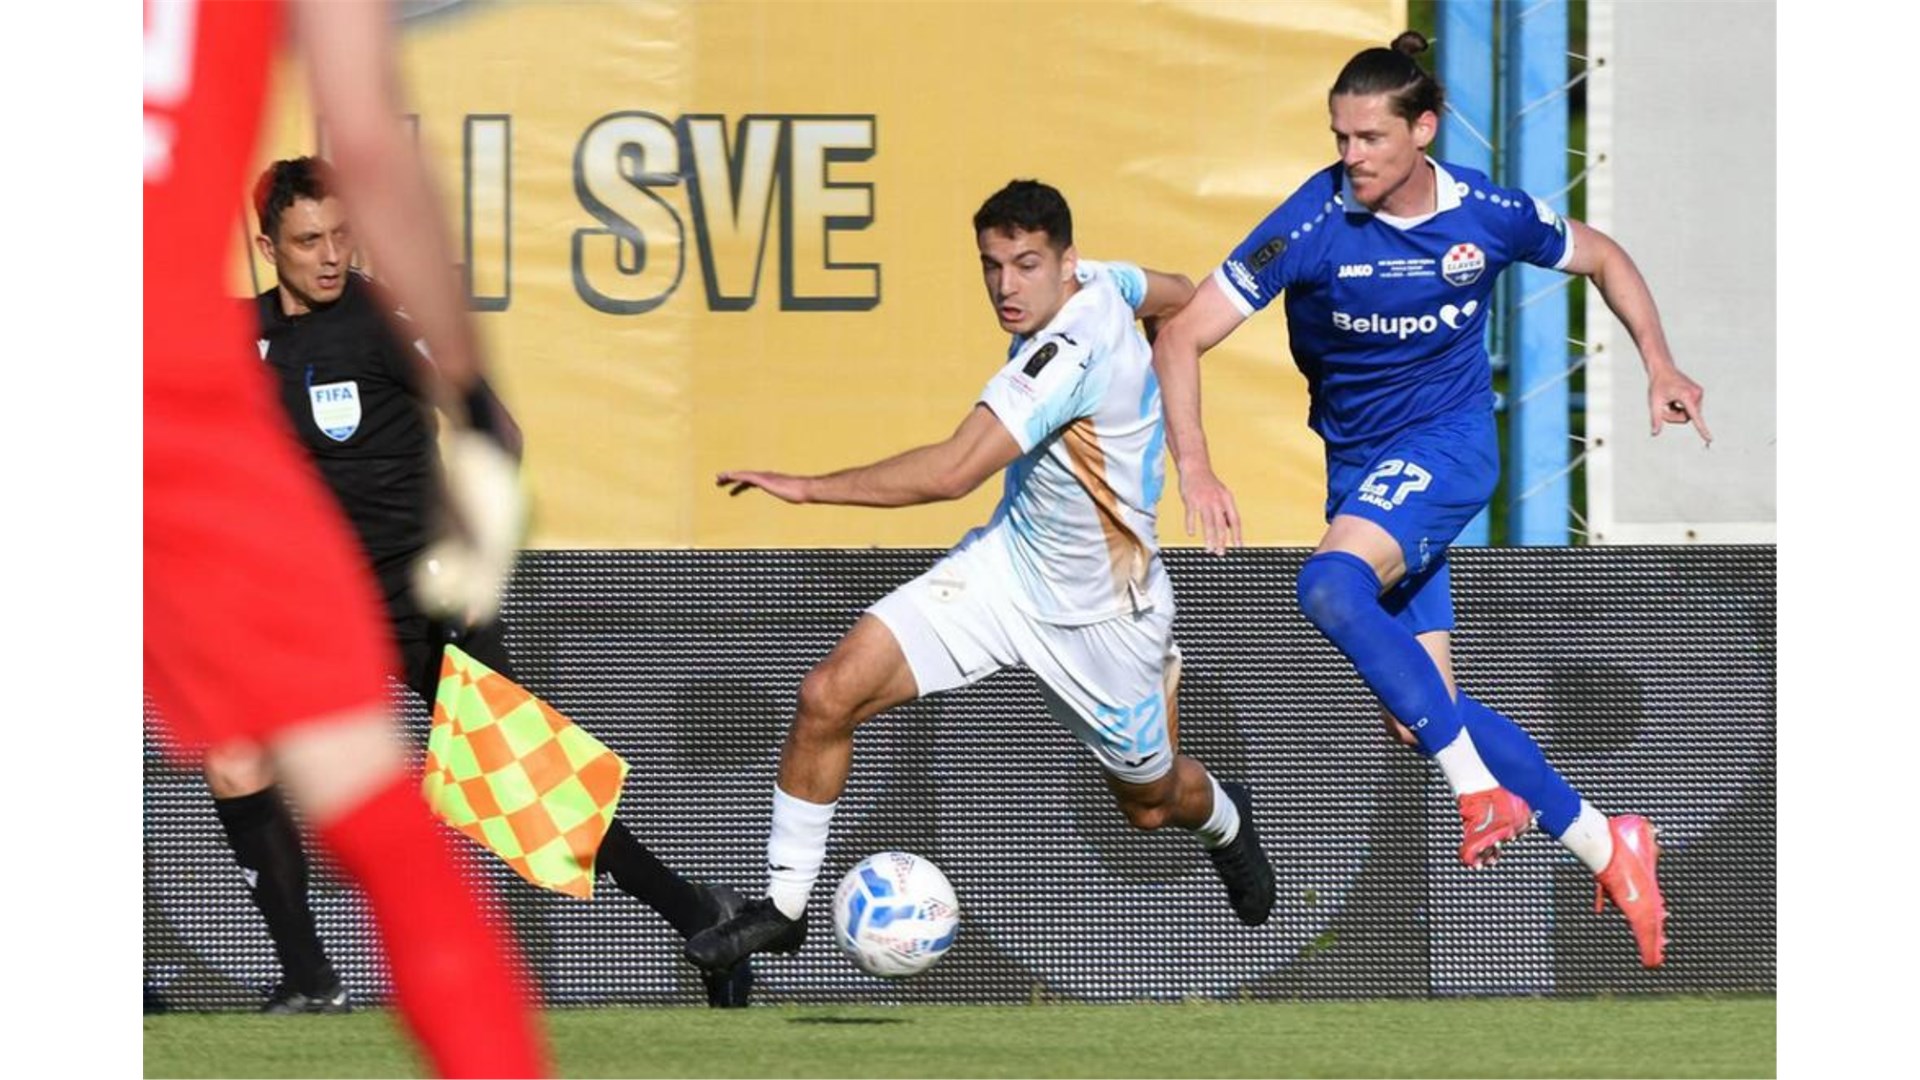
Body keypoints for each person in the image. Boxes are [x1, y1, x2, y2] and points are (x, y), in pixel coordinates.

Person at [1149, 32, 1710, 969]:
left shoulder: (1485, 214)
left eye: (1370, 137)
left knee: (1329, 587)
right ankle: (1608, 844)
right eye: (1340, 137)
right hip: (1362, 471)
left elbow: (1605, 255)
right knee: (1420, 713)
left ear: (1424, 130)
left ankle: (1478, 792)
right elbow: (1181, 337)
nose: (1351, 156)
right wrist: (1196, 466)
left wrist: (1659, 363)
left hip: (1448, 451)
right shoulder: (1311, 221)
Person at [199, 156, 755, 1015]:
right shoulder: (240, 336)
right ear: (269, 248)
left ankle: (700, 917)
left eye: (343, 234)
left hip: (423, 598)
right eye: (309, 240)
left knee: (520, 790)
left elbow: (497, 432)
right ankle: (309, 980)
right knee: (235, 754)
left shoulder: (387, 321)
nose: (332, 254)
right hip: (316, 605)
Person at [683, 180, 1276, 975]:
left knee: (1152, 804)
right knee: (828, 693)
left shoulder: (1068, 352)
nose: (1006, 286)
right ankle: (784, 909)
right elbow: (1176, 297)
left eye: (1025, 265)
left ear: (1065, 263)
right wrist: (1167, 411)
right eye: (992, 266)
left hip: (1105, 617)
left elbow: (954, 471)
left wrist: (808, 487)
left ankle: (1228, 822)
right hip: (1005, 570)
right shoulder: (1104, 280)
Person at [145, 1, 546, 1074]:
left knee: (501, 774)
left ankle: (694, 908)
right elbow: (367, 141)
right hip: (164, 390)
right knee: (369, 798)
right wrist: (471, 409)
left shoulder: (346, 325)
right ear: (272, 244)